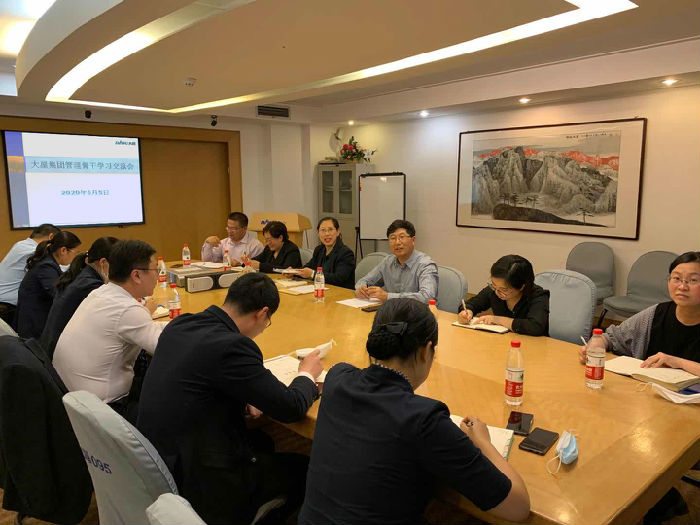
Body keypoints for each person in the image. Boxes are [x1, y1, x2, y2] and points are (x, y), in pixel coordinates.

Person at [299, 298, 530, 525]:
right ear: (426, 351)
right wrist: (483, 442)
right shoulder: (424, 420)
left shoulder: (338, 377)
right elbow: (518, 507)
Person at [137, 273, 323, 525]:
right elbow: (291, 407)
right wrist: (307, 374)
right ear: (262, 313)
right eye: (267, 322)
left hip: (160, 459)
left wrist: (244, 395)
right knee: (305, 468)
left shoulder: (181, 324)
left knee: (264, 440)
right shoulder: (233, 346)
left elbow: (199, 380)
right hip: (199, 480)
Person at [53, 240, 165, 421]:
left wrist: (181, 324)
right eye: (156, 270)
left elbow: (151, 330)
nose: (158, 276)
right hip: (105, 410)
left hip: (73, 398)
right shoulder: (127, 309)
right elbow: (165, 346)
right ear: (136, 275)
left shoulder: (101, 292)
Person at [577, 251, 700, 375]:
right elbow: (611, 338)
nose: (682, 287)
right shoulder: (656, 314)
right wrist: (595, 347)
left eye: (693, 280)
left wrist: (679, 363)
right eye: (677, 278)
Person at [40, 236, 119, 359]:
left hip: (51, 348)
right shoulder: (92, 286)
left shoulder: (83, 275)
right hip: (60, 355)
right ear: (103, 262)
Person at [458, 254, 549, 336]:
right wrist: (466, 312)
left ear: (521, 286)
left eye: (504, 289)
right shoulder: (494, 291)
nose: (497, 292)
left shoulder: (538, 296)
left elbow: (535, 327)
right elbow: (471, 304)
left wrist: (497, 320)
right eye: (493, 285)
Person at [14, 231, 81, 339]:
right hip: (34, 325)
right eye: (76, 253)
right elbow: (58, 294)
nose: (75, 257)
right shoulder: (46, 266)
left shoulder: (49, 262)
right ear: (63, 250)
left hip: (36, 320)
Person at [355, 219, 438, 303]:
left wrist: (387, 296)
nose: (397, 242)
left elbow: (428, 297)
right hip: (392, 309)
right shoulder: (387, 262)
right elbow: (364, 281)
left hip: (417, 311)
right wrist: (361, 289)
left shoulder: (425, 265)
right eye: (393, 238)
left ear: (413, 240)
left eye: (402, 237)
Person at [0, 223, 60, 324]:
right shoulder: (33, 251)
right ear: (51, 237)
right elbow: (57, 266)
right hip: (7, 307)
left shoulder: (21, 244)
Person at [291, 216, 355, 289]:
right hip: (321, 290)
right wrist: (293, 272)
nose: (327, 234)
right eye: (323, 230)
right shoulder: (319, 250)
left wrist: (313, 274)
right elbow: (308, 267)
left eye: (330, 230)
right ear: (318, 233)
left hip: (341, 293)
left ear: (337, 232)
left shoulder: (346, 253)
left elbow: (339, 278)